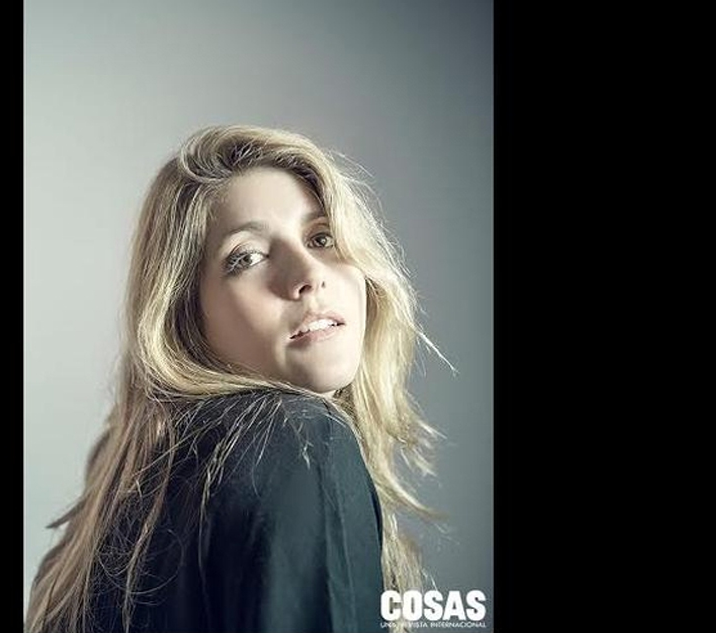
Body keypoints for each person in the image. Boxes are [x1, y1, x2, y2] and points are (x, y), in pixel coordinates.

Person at [25, 124, 451, 633]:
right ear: (185, 317)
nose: (308, 275)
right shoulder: (296, 437)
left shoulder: (128, 497)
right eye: (247, 257)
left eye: (321, 237)